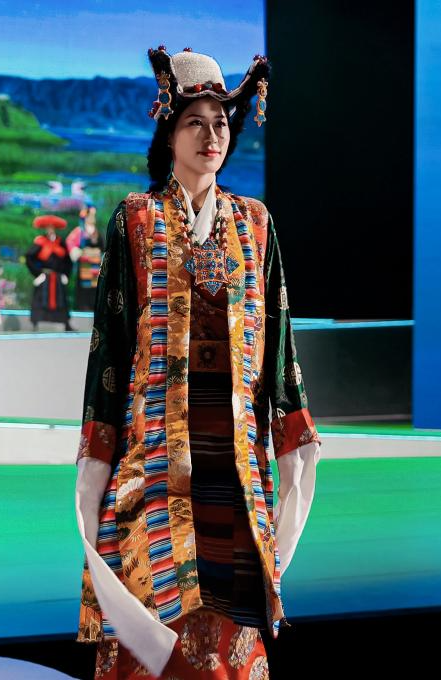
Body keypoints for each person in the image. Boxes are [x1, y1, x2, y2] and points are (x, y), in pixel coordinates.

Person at [75, 46, 322, 679]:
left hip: (235, 471)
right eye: (195, 123)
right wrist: (95, 465)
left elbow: (279, 344)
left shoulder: (255, 224)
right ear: (169, 133)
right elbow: (110, 351)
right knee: (154, 631)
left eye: (221, 123)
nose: (212, 136)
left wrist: (294, 443)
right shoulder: (136, 220)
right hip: (155, 466)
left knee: (231, 642)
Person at [26, 214, 74, 331]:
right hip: (45, 277)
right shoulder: (40, 242)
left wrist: (65, 274)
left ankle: (66, 324)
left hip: (57, 277)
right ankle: (35, 323)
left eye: (52, 227)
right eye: (48, 227)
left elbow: (68, 260)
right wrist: (37, 273)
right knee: (40, 299)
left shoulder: (60, 242)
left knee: (61, 300)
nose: (50, 229)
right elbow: (29, 258)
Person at [67, 206, 105, 311]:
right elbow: (70, 242)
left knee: (95, 289)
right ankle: (83, 309)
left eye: (93, 216)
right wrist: (82, 252)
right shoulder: (79, 231)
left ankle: (95, 309)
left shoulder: (98, 232)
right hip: (84, 266)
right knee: (83, 290)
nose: (93, 218)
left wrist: (98, 253)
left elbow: (103, 248)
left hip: (96, 266)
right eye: (90, 216)